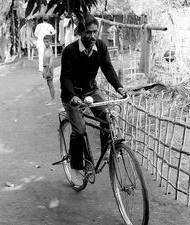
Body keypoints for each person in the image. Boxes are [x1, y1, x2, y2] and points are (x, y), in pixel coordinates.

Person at [60, 14, 127, 185]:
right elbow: (65, 78)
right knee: (80, 131)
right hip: (72, 95)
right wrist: (73, 96)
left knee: (107, 117)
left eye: (95, 32)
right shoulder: (70, 51)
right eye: (88, 32)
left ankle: (107, 152)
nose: (92, 36)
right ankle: (76, 167)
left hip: (91, 90)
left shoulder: (101, 46)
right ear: (81, 32)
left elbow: (108, 69)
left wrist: (119, 87)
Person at [42, 35, 56, 106]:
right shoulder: (45, 48)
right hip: (45, 68)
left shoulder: (50, 50)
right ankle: (51, 98)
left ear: (50, 42)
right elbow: (44, 59)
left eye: (47, 42)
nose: (45, 43)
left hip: (49, 69)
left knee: (50, 84)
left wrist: (48, 71)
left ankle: (53, 100)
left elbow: (51, 61)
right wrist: (43, 70)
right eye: (44, 42)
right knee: (48, 84)